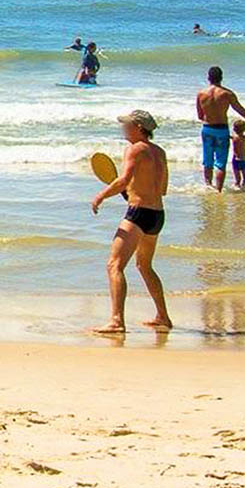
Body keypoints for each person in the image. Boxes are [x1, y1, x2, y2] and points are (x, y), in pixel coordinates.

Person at [90, 110, 171, 334]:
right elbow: (162, 189)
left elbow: (123, 179)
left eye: (127, 125)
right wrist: (132, 191)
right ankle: (163, 316)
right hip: (157, 215)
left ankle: (116, 321)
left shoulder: (134, 149)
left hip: (138, 214)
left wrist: (101, 196)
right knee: (144, 266)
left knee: (114, 265)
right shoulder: (160, 152)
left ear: (138, 127)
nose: (123, 129)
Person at [196, 66, 245, 192]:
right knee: (220, 162)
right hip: (221, 129)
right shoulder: (227, 94)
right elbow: (242, 111)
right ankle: (219, 190)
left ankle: (208, 186)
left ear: (208, 78)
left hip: (207, 129)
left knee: (207, 159)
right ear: (221, 78)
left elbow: (200, 116)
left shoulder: (201, 94)